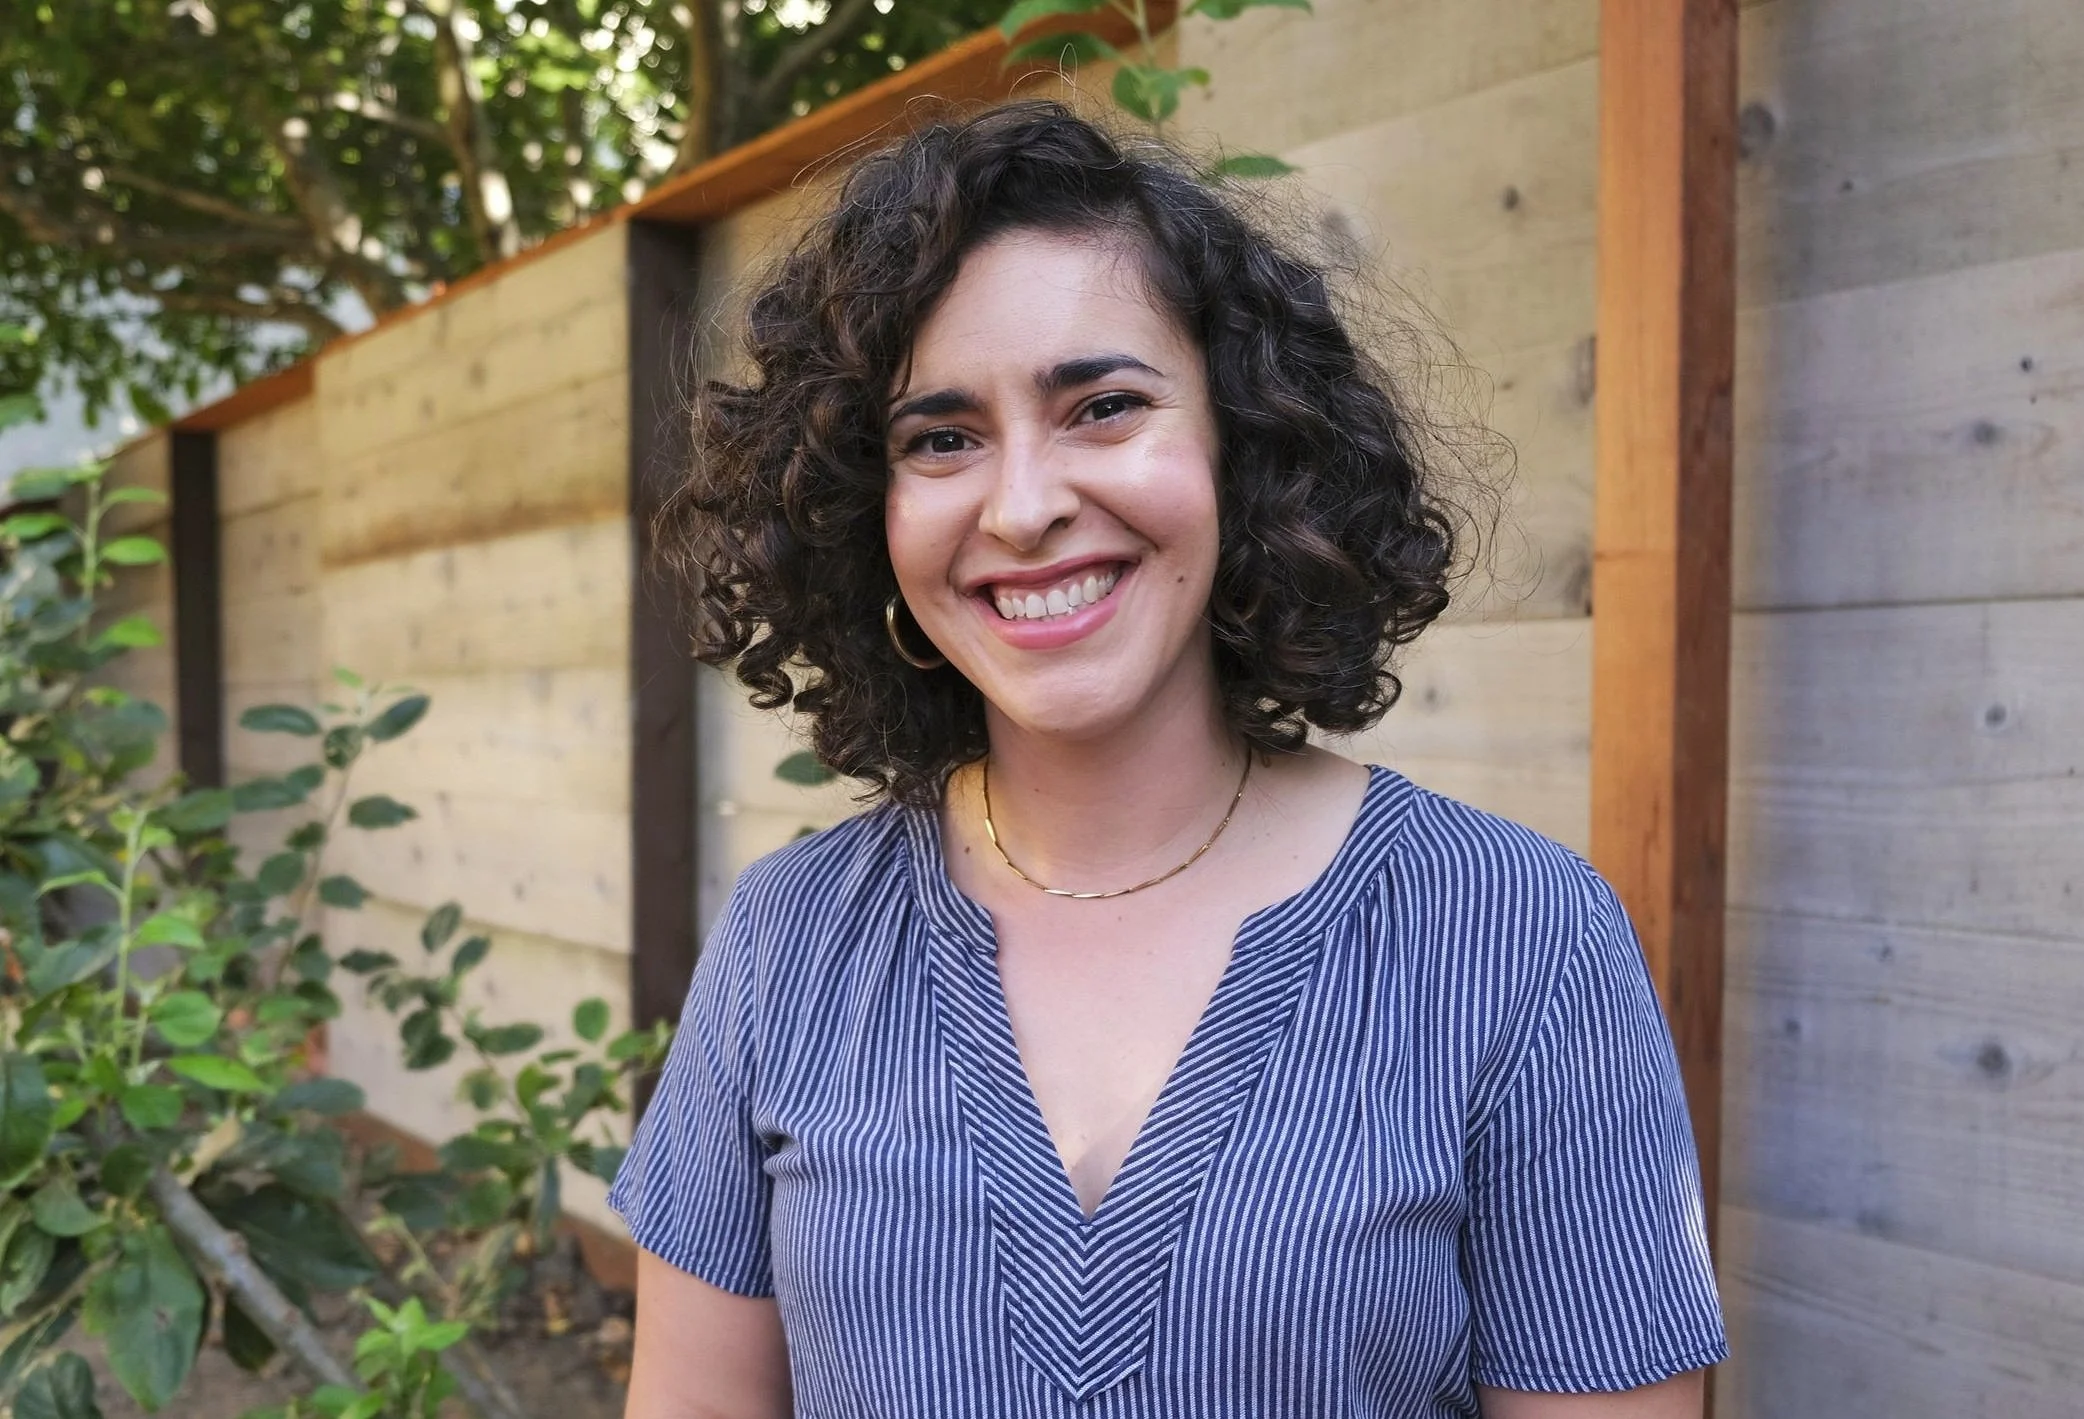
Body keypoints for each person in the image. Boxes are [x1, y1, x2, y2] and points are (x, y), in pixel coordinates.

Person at [611, 101, 1727, 1418]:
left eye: (1104, 406)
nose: (1025, 506)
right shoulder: (788, 941)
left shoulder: (1519, 939)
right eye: (942, 437)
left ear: (1244, 448)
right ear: (870, 512)